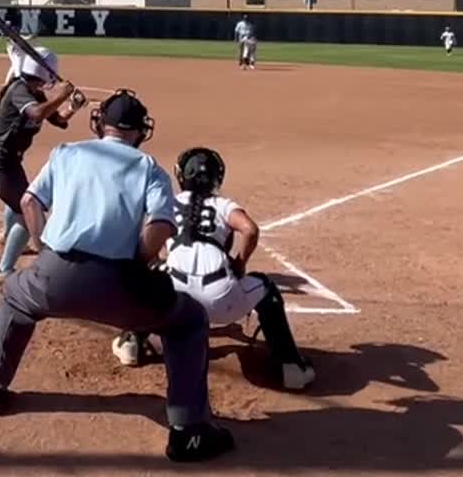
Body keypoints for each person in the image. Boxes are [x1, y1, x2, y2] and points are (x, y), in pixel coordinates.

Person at [0, 90, 234, 464]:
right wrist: (138, 260)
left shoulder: (66, 153)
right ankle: (187, 432)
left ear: (100, 123)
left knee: (16, 297)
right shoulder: (148, 167)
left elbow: (30, 202)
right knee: (189, 321)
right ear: (141, 130)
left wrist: (43, 247)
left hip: (54, 275)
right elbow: (161, 226)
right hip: (122, 285)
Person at [111, 146, 316, 391]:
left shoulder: (169, 202)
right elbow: (250, 230)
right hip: (223, 300)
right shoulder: (223, 205)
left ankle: (131, 343)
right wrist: (240, 262)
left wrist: (160, 262)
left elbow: (149, 242)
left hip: (176, 301)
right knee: (267, 289)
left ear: (181, 176)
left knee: (147, 275)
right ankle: (291, 367)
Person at [0, 48, 80, 285]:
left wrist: (73, 106)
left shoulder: (34, 93)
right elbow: (36, 114)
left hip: (10, 162)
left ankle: (7, 236)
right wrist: (62, 95)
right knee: (28, 214)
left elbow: (58, 121)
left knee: (21, 197)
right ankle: (3, 271)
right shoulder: (20, 90)